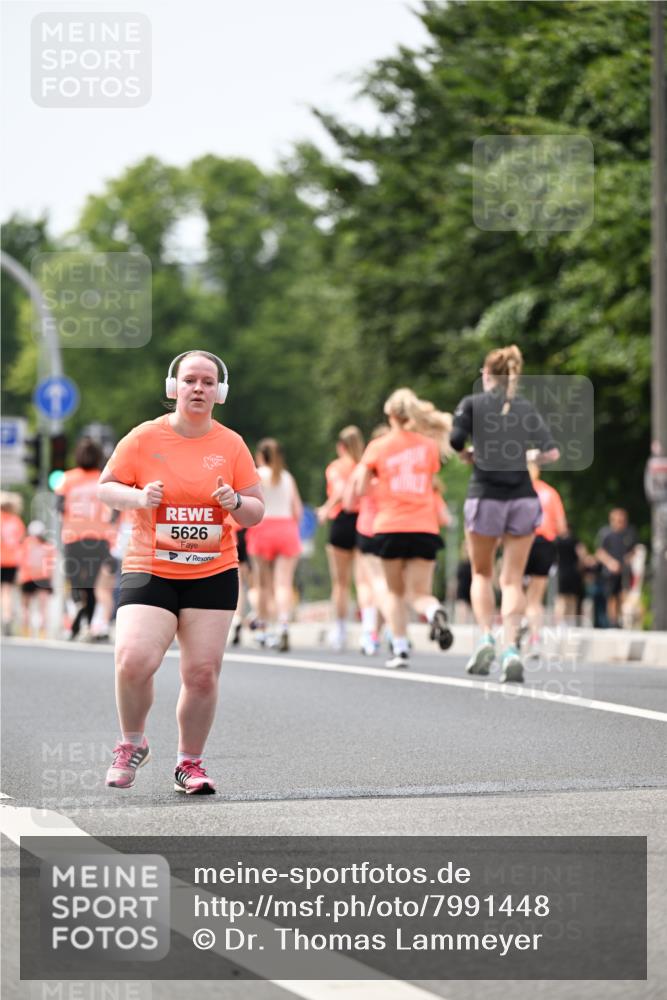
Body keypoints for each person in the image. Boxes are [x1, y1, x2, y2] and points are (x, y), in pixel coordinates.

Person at [98, 350, 264, 795]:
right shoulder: (144, 437)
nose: (198, 388)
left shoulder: (231, 445)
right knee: (134, 660)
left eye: (208, 382)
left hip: (212, 569)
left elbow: (255, 511)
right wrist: (137, 499)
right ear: (175, 388)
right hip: (149, 566)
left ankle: (189, 763)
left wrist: (235, 504)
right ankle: (131, 741)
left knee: (202, 673)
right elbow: (106, 486)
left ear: (219, 392)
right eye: (190, 380)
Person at [450, 345, 559, 682]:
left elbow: (455, 441)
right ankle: (511, 647)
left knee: (482, 574)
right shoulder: (525, 407)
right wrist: (525, 456)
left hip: (485, 497)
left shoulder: (472, 404)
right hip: (523, 499)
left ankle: (485, 637)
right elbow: (552, 453)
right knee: (512, 579)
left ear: (486, 374)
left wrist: (471, 453)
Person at [351, 388, 454, 669]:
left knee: (395, 593)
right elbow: (429, 482)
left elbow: (360, 488)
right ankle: (434, 612)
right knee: (420, 593)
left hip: (391, 527)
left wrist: (375, 482)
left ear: (390, 415)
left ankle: (400, 648)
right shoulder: (428, 446)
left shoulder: (378, 447)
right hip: (425, 527)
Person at [245, 438, 303, 652]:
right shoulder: (287, 477)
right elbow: (297, 510)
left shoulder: (257, 475)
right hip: (286, 528)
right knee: (283, 583)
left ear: (261, 456)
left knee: (262, 584)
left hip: (263, 528)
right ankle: (284, 623)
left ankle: (263, 628)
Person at [56, 438, 117, 640]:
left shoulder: (66, 479)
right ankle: (90, 625)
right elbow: (115, 511)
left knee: (75, 580)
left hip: (73, 536)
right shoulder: (103, 479)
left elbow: (59, 508)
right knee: (92, 584)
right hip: (99, 537)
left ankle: (77, 610)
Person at [317, 426, 365, 651]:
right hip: (364, 520)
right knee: (364, 580)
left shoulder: (337, 466)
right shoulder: (365, 465)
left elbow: (339, 489)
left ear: (341, 446)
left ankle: (340, 629)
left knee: (341, 583)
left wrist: (326, 508)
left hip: (342, 521)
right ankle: (369, 629)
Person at [522, 461, 567, 656]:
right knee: (535, 598)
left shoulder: (517, 491)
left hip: (521, 542)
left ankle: (519, 627)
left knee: (514, 589)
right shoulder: (550, 493)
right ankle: (535, 640)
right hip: (544, 544)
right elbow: (562, 527)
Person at [594, 508, 638, 627]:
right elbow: (599, 552)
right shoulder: (606, 533)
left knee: (623, 595)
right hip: (610, 572)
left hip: (624, 571)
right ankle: (612, 622)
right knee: (611, 597)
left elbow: (633, 550)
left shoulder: (628, 534)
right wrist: (610, 563)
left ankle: (621, 620)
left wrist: (627, 559)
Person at [18, 520, 56, 637]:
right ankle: (42, 631)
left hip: (28, 577)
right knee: (43, 607)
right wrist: (51, 580)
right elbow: (51, 565)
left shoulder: (25, 543)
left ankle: (25, 630)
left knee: (25, 606)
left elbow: (20, 560)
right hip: (43, 578)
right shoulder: (48, 546)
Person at [1, 493, 25, 635]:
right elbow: (21, 543)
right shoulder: (17, 522)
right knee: (7, 591)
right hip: (11, 561)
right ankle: (6, 616)